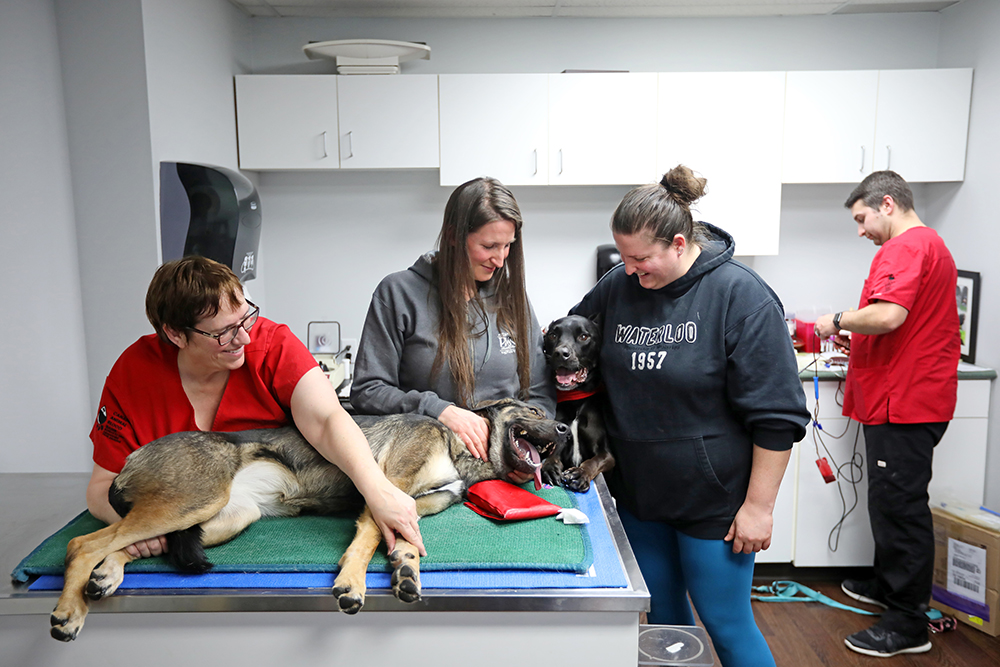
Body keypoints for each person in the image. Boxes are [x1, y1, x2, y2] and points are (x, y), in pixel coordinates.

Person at [570, 165, 809, 667]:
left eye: (641, 258)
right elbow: (573, 339)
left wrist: (759, 509)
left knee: (725, 624)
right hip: (638, 495)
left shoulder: (740, 295)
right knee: (663, 624)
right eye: (624, 257)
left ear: (679, 243)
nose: (630, 269)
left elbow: (778, 417)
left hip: (714, 505)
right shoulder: (619, 285)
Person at [88, 255, 424, 560]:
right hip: (182, 518)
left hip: (268, 518)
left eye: (246, 318)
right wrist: (135, 529)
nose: (244, 339)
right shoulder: (133, 374)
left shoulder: (272, 344)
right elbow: (102, 486)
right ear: (176, 334)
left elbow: (327, 420)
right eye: (224, 333)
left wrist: (379, 492)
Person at [815, 170, 959, 658]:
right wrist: (856, 334)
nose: (861, 230)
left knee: (901, 510)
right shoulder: (923, 246)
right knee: (889, 503)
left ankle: (907, 623)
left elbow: (889, 315)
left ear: (888, 204)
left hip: (907, 402)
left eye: (862, 218)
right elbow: (899, 321)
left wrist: (834, 320)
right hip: (902, 397)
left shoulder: (906, 247)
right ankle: (888, 586)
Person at [350, 176, 556, 466]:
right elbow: (368, 391)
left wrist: (523, 447)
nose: (500, 259)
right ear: (452, 236)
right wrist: (438, 409)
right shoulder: (398, 292)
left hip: (500, 464)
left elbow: (539, 394)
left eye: (507, 246)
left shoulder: (513, 297)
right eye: (488, 246)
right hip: (424, 464)